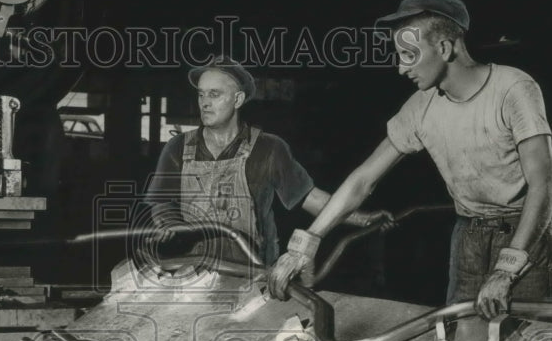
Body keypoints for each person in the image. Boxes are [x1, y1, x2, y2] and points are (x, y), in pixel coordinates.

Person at [268, 0, 552, 319]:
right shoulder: (420, 108)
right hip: (468, 239)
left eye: (408, 54)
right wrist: (305, 244)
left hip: (525, 236)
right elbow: (363, 179)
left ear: (444, 47)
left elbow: (545, 185)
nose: (400, 68)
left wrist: (508, 267)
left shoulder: (514, 88)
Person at [146, 57, 390, 267]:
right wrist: (170, 226)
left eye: (214, 94)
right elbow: (161, 202)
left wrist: (362, 218)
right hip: (195, 267)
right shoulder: (178, 147)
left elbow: (309, 198)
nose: (204, 103)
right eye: (201, 94)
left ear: (238, 99)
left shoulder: (269, 148)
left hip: (252, 270)